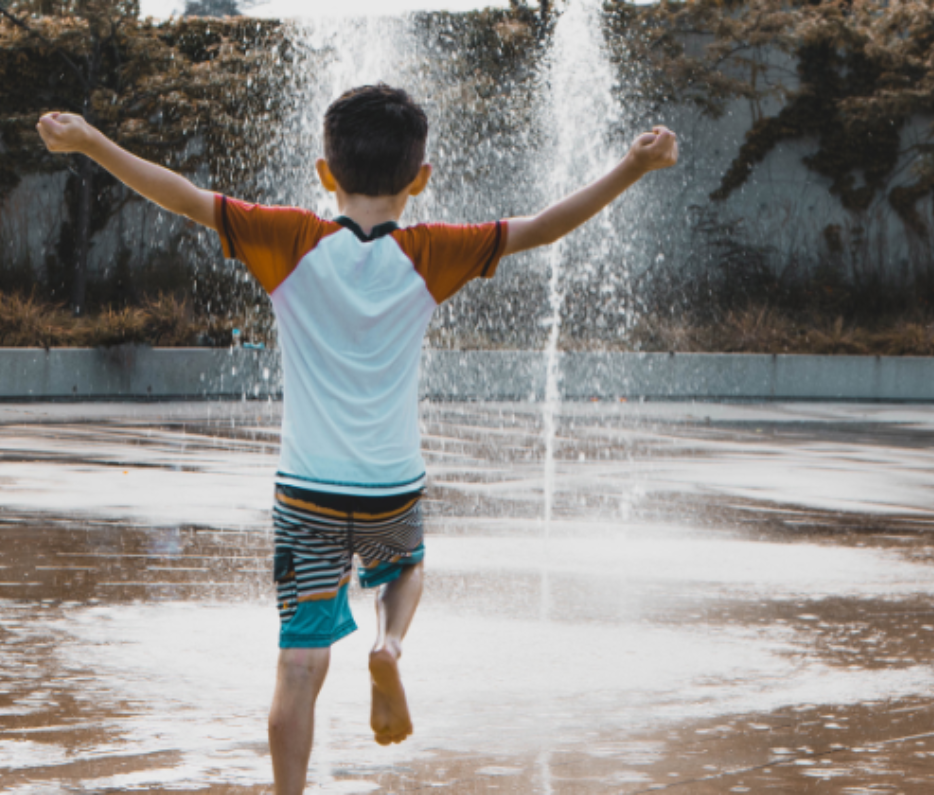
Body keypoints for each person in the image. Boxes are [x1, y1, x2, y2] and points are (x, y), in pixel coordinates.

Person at [36, 83, 679, 793]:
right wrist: (632, 166)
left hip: (306, 490)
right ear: (421, 180)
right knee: (406, 569)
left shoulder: (287, 239)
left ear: (324, 173)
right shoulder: (435, 251)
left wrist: (91, 142)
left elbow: (182, 195)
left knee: (299, 664)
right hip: (390, 485)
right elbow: (545, 227)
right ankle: (389, 641)